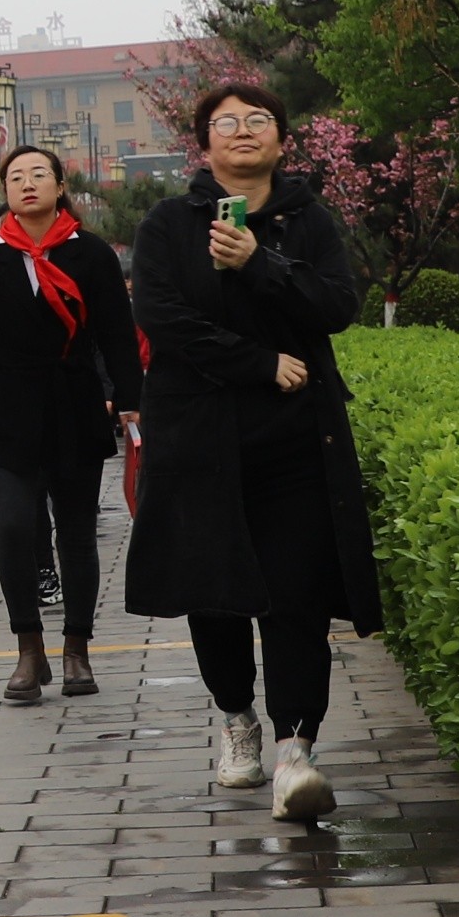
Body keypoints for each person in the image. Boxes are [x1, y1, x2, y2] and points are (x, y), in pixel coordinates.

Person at [124, 82, 385, 824]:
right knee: (214, 591)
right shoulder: (169, 223)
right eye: (226, 122)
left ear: (280, 139)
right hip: (199, 439)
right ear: (203, 145)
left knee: (295, 596)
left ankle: (294, 749)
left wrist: (259, 263)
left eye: (258, 119)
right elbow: (162, 318)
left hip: (295, 440)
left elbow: (336, 306)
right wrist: (257, 363)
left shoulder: (307, 222)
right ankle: (234, 715)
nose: (243, 131)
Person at [0, 146, 141, 705]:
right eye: (15, 177)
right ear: (4, 190)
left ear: (58, 185)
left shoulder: (91, 254)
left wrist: (130, 398)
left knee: (76, 534)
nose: (27, 185)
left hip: (75, 402)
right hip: (8, 409)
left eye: (38, 176)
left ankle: (77, 649)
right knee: (15, 528)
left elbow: (118, 332)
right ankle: (29, 647)